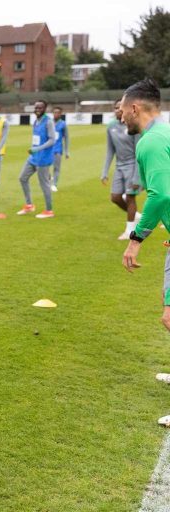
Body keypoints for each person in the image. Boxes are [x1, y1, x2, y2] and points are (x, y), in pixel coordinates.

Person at [118, 79, 170, 425]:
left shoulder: (150, 141)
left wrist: (136, 238)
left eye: (123, 110)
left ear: (135, 108)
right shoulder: (165, 132)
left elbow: (161, 194)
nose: (121, 116)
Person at [101, 99, 142, 240]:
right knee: (115, 197)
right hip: (119, 167)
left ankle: (129, 231)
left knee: (130, 197)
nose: (117, 110)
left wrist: (136, 177)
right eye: (115, 107)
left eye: (120, 107)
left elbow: (138, 152)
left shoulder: (133, 125)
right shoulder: (111, 126)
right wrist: (104, 171)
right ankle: (136, 216)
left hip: (132, 165)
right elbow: (110, 150)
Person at [17, 100, 56, 219]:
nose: (38, 109)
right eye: (36, 107)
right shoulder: (35, 121)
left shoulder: (48, 122)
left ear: (45, 109)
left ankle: (49, 211)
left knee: (44, 185)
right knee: (22, 178)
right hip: (33, 157)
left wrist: (37, 148)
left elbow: (52, 140)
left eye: (40, 108)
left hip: (43, 158)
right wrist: (34, 149)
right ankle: (29, 205)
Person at [51, 107, 69, 192]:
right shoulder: (49, 123)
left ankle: (54, 184)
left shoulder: (63, 124)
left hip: (57, 149)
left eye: (58, 113)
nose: (56, 114)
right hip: (48, 149)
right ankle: (49, 177)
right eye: (54, 112)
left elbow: (66, 138)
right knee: (43, 167)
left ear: (60, 114)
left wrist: (67, 151)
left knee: (56, 168)